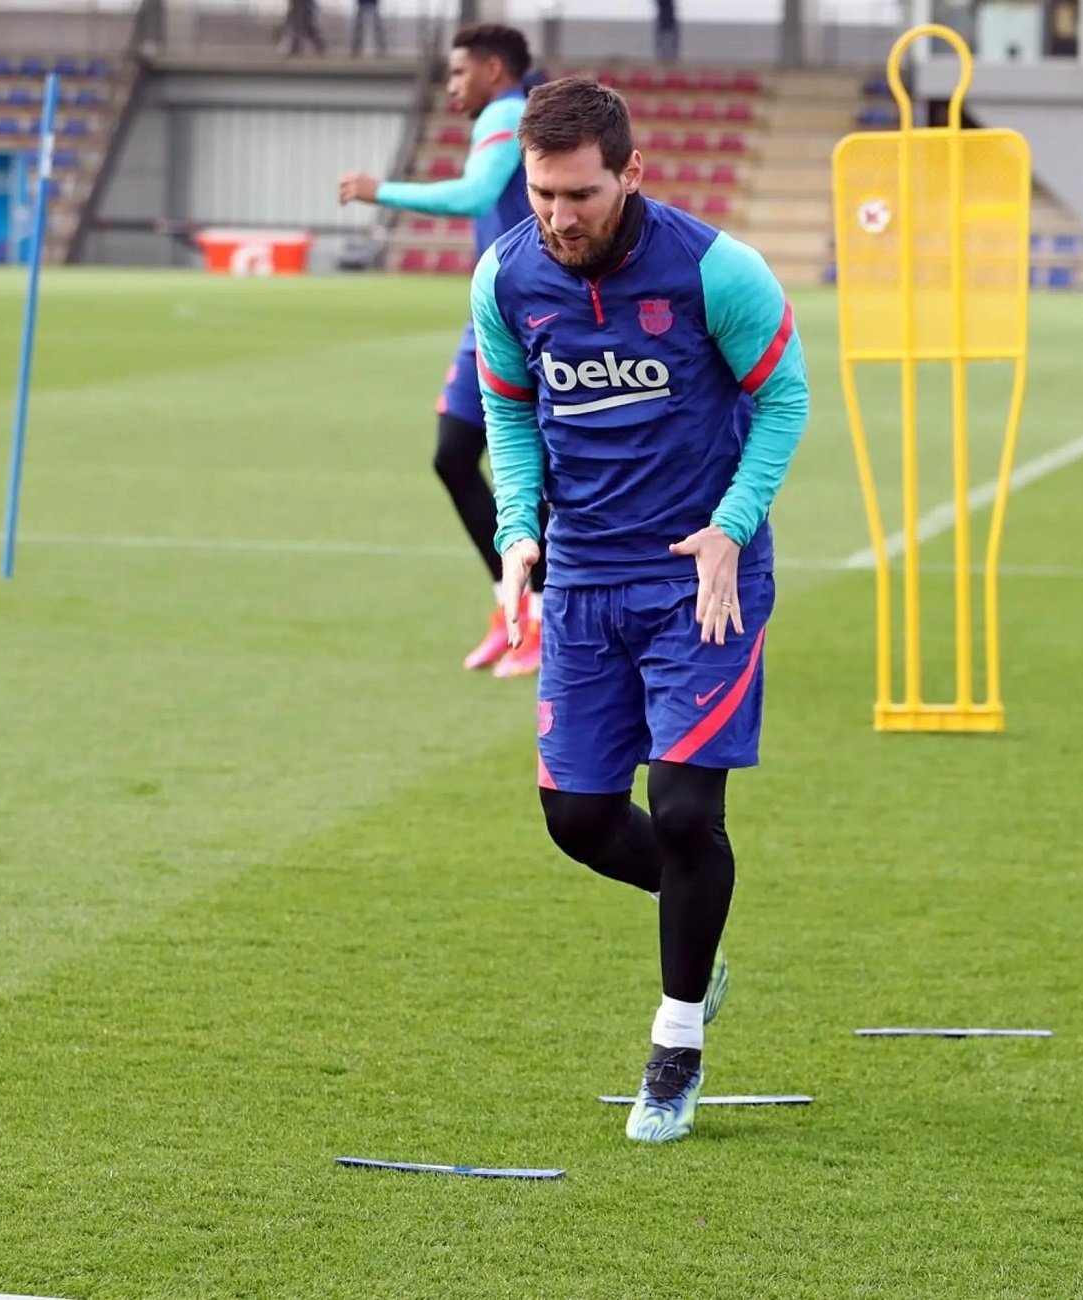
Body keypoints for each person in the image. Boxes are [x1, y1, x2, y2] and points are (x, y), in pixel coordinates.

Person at [470, 78, 808, 1143]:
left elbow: (784, 396)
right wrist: (517, 529)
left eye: (578, 193)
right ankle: (696, 940)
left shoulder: (716, 269)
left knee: (684, 812)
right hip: (582, 582)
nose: (558, 216)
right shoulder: (506, 275)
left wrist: (732, 524)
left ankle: (675, 1044)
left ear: (630, 174)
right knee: (574, 819)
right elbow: (509, 414)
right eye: (541, 193)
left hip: (700, 580)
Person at [338, 25, 548, 677]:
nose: (453, 86)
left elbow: (473, 195)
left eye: (459, 73)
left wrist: (382, 190)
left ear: (492, 69)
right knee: (454, 455)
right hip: (493, 314)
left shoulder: (509, 113)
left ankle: (543, 620)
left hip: (534, 315)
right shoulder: (510, 116)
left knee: (523, 469)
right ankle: (512, 609)